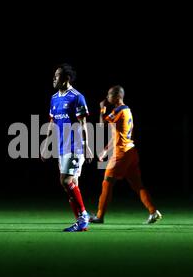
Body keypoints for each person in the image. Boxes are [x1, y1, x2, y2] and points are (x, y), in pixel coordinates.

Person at [90, 86, 162, 224]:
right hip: (131, 152)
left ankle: (99, 216)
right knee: (138, 185)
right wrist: (106, 149)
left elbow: (101, 125)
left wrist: (101, 109)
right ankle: (153, 211)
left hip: (121, 153)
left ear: (117, 96)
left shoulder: (118, 110)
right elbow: (119, 134)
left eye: (109, 94)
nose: (107, 97)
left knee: (107, 182)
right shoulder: (127, 110)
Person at [41, 64, 93, 232]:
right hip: (62, 147)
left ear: (67, 78)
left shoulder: (77, 97)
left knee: (65, 180)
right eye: (54, 75)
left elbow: (83, 124)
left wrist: (88, 146)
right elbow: (52, 123)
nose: (54, 78)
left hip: (76, 146)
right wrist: (45, 144)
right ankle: (80, 222)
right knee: (69, 185)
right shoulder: (54, 98)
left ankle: (84, 215)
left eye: (57, 76)